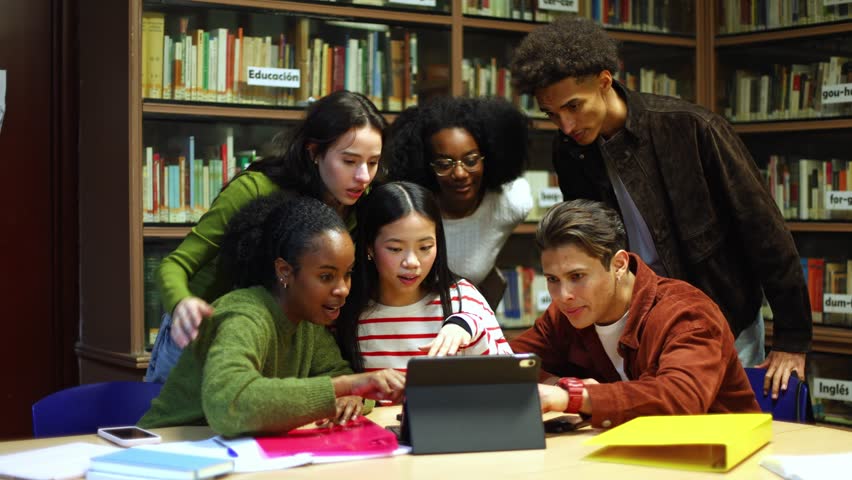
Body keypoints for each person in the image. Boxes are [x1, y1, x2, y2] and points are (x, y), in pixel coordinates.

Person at [509, 17, 811, 397]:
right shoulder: (570, 150)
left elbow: (764, 231)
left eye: (574, 106)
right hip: (637, 323)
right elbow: (589, 245)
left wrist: (793, 338)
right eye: (552, 114)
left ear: (604, 81)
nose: (566, 125)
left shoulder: (691, 127)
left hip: (724, 314)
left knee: (722, 430)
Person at [146, 90, 387, 383]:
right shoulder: (255, 190)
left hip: (275, 342)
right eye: (349, 161)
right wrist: (182, 304)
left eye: (373, 163)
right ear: (314, 152)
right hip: (198, 332)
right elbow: (173, 266)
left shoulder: (362, 204)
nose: (363, 176)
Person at [139, 195, 405, 436]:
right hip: (166, 453)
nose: (343, 289)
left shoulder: (307, 321)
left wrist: (354, 396)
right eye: (326, 276)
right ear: (285, 272)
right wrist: (349, 386)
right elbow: (230, 405)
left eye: (347, 274)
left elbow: (337, 373)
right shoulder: (243, 314)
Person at [510, 199, 760, 428]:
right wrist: (556, 385)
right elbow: (506, 362)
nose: (563, 295)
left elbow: (681, 399)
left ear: (618, 265)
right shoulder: (565, 314)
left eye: (577, 276)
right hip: (631, 457)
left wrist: (573, 397)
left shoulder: (687, 314)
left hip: (720, 459)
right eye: (553, 279)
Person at [337, 181, 513, 373]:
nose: (412, 262)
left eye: (425, 247)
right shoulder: (348, 310)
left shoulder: (463, 300)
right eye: (395, 249)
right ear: (369, 247)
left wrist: (471, 328)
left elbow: (509, 379)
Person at [382, 96, 532, 304]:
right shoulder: (410, 210)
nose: (460, 173)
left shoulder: (511, 204)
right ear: (426, 165)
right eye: (444, 164)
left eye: (471, 160)